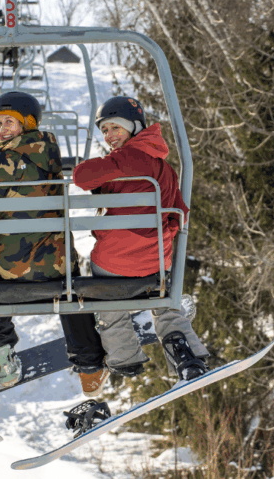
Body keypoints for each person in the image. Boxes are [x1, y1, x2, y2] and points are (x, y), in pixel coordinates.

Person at [68, 96, 209, 396]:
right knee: (165, 304)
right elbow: (180, 214)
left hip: (113, 266)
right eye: (104, 131)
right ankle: (186, 357)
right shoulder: (165, 168)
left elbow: (81, 176)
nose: (109, 137)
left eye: (115, 128)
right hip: (155, 265)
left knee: (107, 300)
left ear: (135, 127)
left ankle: (124, 358)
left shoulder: (124, 159)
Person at [0, 91, 85, 388]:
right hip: (58, 265)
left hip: (10, 271)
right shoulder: (52, 153)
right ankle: (87, 356)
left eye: (9, 122)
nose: (1, 130)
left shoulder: (5, 160)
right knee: (74, 285)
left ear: (27, 123)